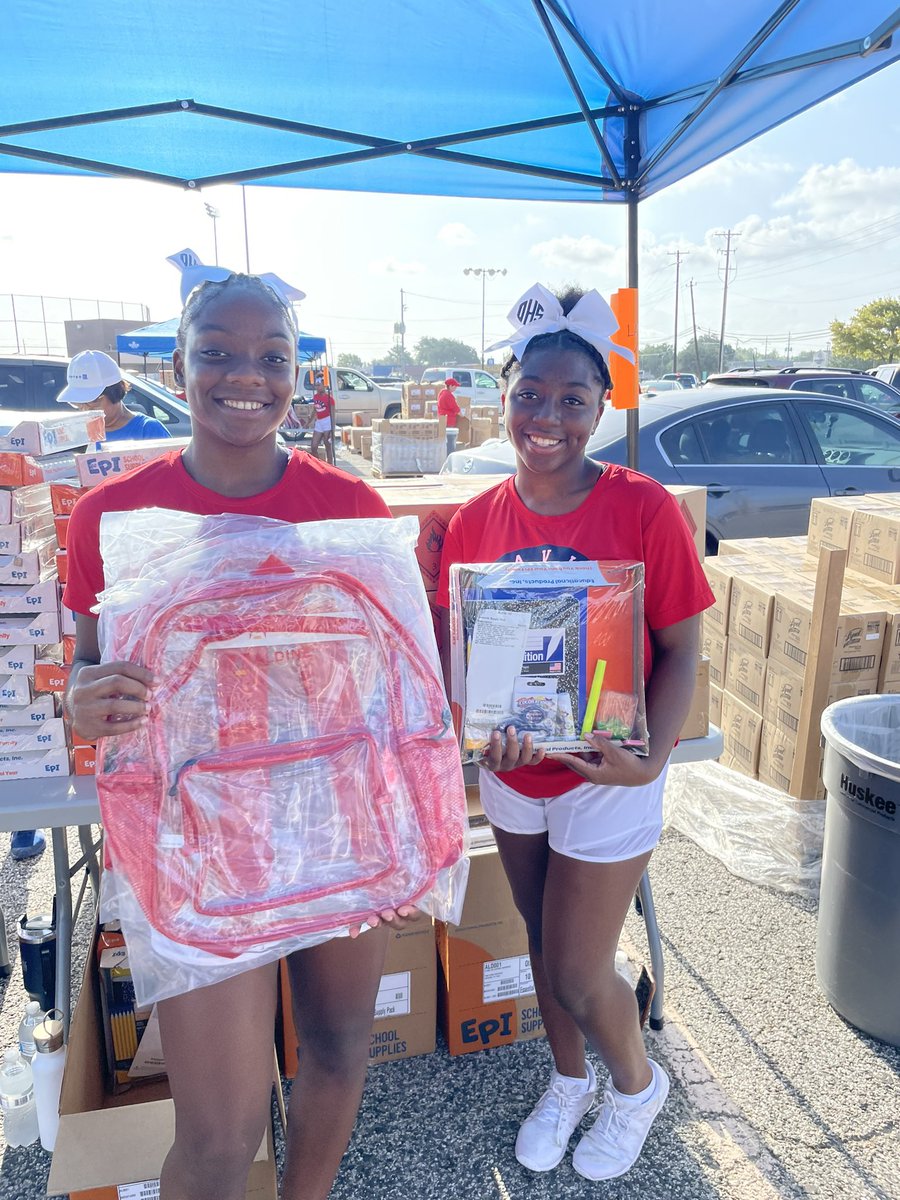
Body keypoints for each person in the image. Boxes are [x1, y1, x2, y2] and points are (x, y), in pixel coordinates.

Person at [63, 273, 418, 1200]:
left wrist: (410, 842)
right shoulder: (114, 515)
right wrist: (81, 701)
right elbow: (90, 673)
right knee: (218, 1140)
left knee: (339, 1052)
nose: (243, 375)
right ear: (178, 364)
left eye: (273, 356)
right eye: (216, 351)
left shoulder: (352, 510)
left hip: (336, 832)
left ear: (298, 373)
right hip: (195, 844)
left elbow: (396, 699)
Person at [437, 283, 714, 1182]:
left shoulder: (642, 507)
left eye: (571, 399)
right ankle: (568, 1080)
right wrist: (480, 739)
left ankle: (634, 1087)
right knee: (537, 939)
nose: (546, 415)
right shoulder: (477, 522)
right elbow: (470, 661)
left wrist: (648, 760)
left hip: (608, 775)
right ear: (505, 398)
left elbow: (680, 650)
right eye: (530, 394)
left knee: (576, 967)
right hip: (520, 774)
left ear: (600, 409)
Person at [57, 350, 172, 442]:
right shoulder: (76, 436)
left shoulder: (148, 430)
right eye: (78, 404)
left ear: (115, 392)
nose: (86, 410)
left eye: (93, 402)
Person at [309, 381, 335, 460]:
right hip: (319, 422)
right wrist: (309, 421)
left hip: (327, 421)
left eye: (319, 385)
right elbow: (315, 410)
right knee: (313, 446)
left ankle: (330, 466)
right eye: (316, 385)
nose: (317, 387)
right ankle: (320, 464)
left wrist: (332, 430)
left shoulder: (330, 399)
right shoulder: (315, 396)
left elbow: (333, 415)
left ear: (324, 386)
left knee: (327, 445)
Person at [437, 376, 461, 456]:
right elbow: (455, 408)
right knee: (450, 441)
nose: (456, 388)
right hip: (449, 420)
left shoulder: (442, 392)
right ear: (450, 386)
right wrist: (463, 415)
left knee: (445, 440)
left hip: (443, 419)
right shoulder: (448, 395)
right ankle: (449, 455)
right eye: (455, 386)